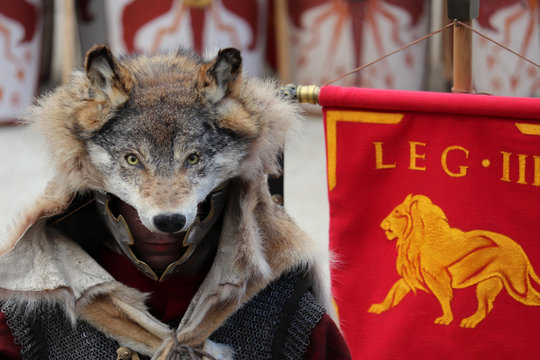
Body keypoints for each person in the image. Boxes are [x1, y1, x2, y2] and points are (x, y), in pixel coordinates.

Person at [0, 45, 351, 359]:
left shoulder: (284, 306)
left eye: (193, 159)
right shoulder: (31, 305)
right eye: (133, 161)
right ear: (90, 176)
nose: (167, 208)